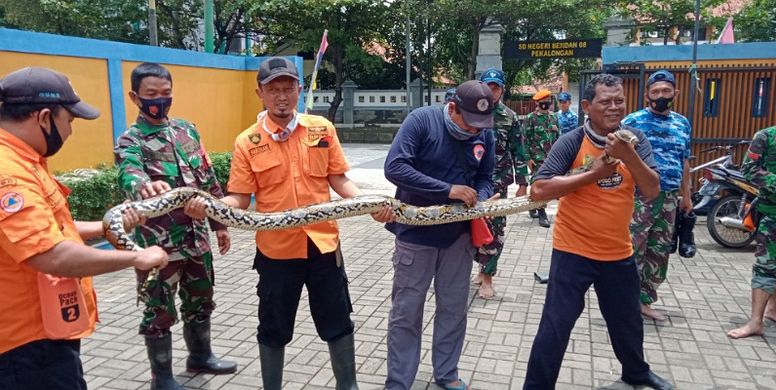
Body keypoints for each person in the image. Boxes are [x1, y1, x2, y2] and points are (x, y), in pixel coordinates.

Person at [184, 57, 393, 390]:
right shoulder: (247, 142)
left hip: (324, 246)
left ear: (298, 89)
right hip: (276, 252)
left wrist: (368, 205)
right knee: (274, 327)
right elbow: (239, 197)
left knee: (337, 321)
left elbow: (338, 179)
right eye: (273, 90)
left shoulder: (321, 129)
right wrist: (212, 208)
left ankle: (348, 386)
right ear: (260, 94)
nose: (281, 96)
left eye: (288, 88)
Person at [0, 67, 169, 389]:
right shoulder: (8, 174)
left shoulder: (25, 162)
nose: (70, 131)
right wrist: (137, 257)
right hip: (23, 346)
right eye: (70, 121)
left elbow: (49, 228)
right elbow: (50, 254)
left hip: (44, 333)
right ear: (45, 117)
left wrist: (107, 226)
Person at [523, 74, 673, 390]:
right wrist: (593, 175)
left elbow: (651, 189)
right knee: (556, 326)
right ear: (588, 106)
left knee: (628, 322)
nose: (614, 107)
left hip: (618, 251)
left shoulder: (637, 140)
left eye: (619, 100)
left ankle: (636, 373)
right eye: (606, 101)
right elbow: (538, 189)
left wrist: (627, 153)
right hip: (572, 251)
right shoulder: (573, 141)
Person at [114, 62, 236, 390]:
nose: (160, 100)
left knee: (201, 300)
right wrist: (143, 187)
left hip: (197, 240)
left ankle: (200, 356)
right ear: (135, 96)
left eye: (166, 94)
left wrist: (220, 223)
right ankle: (162, 378)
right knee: (159, 310)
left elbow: (207, 179)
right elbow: (129, 172)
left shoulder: (187, 130)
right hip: (159, 247)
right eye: (151, 94)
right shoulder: (131, 139)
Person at [384, 80, 496, 390]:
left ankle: (447, 374)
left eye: (481, 125)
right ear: (452, 108)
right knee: (407, 311)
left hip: (457, 238)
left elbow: (486, 177)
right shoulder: (422, 121)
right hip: (415, 234)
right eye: (470, 123)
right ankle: (399, 381)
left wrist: (482, 198)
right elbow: (394, 167)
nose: (476, 131)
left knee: (453, 308)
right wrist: (447, 191)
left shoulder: (485, 132)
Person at [621, 70, 692, 321]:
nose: (660, 96)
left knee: (659, 250)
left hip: (671, 196)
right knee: (633, 247)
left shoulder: (682, 124)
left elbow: (684, 162)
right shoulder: (633, 122)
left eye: (665, 91)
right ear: (646, 96)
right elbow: (620, 157)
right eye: (655, 92)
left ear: (675, 93)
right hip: (640, 196)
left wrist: (687, 195)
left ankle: (645, 300)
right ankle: (624, 301)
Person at [472, 68, 527, 299]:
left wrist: (523, 183)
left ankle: (487, 277)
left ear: (502, 89)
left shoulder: (509, 117)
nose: (492, 91)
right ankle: (480, 264)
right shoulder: (470, 112)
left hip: (497, 184)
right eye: (488, 86)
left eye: (496, 87)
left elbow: (519, 151)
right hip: (470, 184)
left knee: (493, 229)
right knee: (468, 228)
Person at [727, 124, 776, 339]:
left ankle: (774, 310)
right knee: (766, 266)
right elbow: (749, 169)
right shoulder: (767, 136)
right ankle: (755, 322)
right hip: (774, 215)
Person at [523, 89, 559, 227]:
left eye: (548, 100)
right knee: (540, 183)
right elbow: (524, 140)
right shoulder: (530, 118)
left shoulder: (554, 117)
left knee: (545, 183)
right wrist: (527, 158)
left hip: (551, 158)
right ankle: (542, 213)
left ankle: (533, 206)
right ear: (537, 102)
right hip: (536, 158)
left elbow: (558, 137)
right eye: (543, 100)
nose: (546, 102)